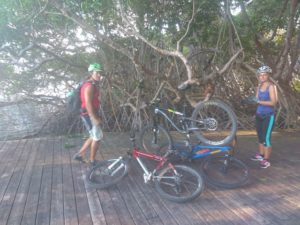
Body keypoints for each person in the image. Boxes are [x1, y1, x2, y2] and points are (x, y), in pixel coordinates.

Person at [73, 63, 104, 166]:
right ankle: (92, 160)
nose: (99, 75)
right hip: (88, 114)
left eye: (100, 73)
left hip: (88, 113)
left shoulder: (91, 84)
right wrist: (94, 118)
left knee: (93, 135)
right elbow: (88, 103)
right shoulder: (89, 86)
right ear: (91, 73)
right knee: (97, 137)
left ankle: (80, 154)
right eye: (97, 73)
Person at [251, 65, 278, 168]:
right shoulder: (259, 86)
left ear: (268, 75)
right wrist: (251, 100)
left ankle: (266, 160)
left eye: (264, 75)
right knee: (260, 137)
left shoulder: (272, 86)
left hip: (268, 115)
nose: (262, 77)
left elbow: (273, 102)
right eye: (260, 75)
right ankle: (261, 155)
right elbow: (256, 99)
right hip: (259, 114)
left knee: (266, 138)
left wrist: (258, 101)